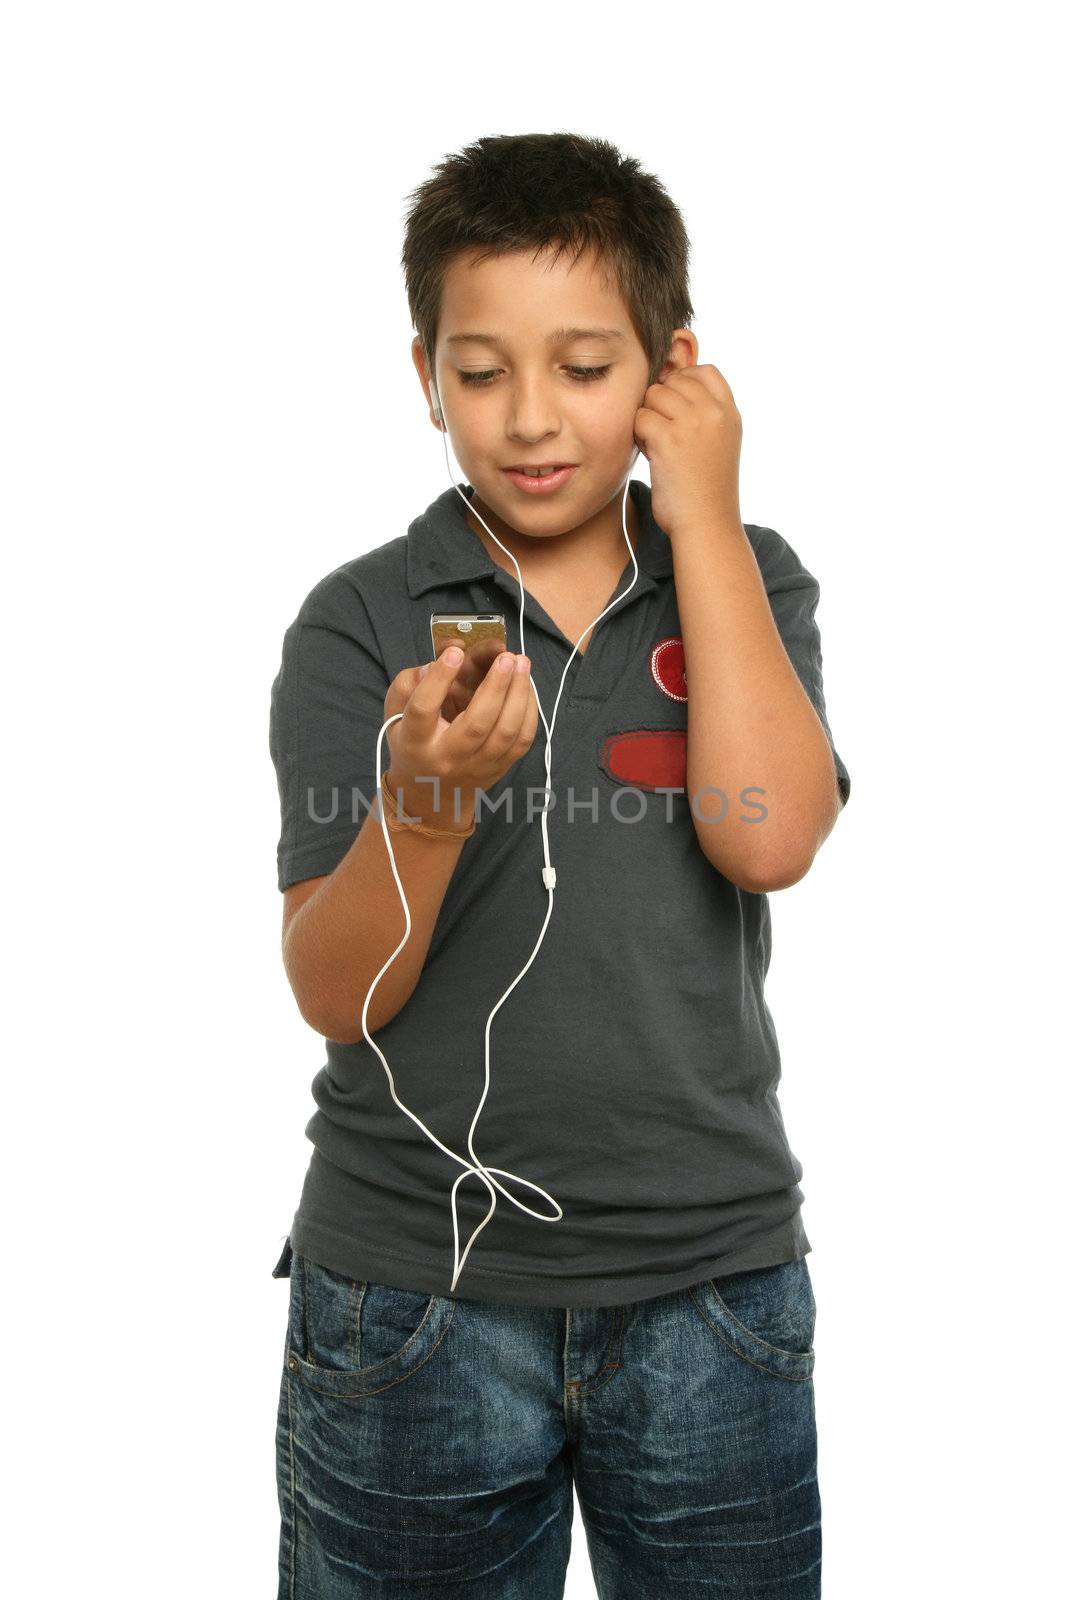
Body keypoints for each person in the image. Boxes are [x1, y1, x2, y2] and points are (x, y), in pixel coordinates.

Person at [268, 131, 850, 1600]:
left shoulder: (749, 577)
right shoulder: (361, 621)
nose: (531, 418)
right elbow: (336, 998)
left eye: (587, 369)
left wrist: (702, 514)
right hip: (413, 1293)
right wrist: (423, 806)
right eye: (481, 372)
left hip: (708, 1283)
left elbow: (767, 834)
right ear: (425, 377)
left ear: (671, 372)